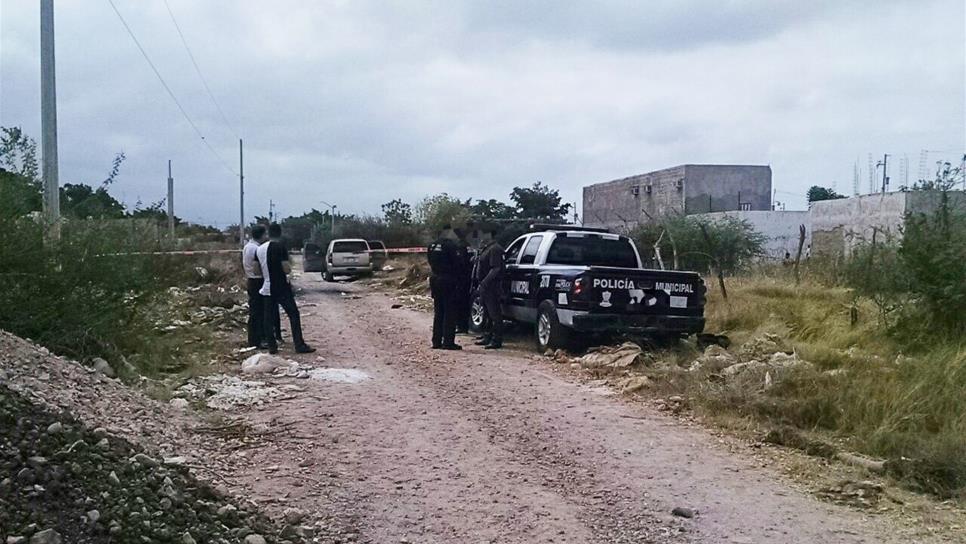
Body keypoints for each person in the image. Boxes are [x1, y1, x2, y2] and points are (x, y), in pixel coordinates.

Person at [257, 223, 315, 354]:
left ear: (268, 234)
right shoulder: (280, 247)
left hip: (266, 287)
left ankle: (272, 347)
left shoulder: (260, 249)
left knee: (268, 318)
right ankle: (299, 344)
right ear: (280, 233)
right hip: (281, 287)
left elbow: (256, 270)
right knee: (293, 314)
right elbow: (286, 268)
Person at [427, 225, 462, 350]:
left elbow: (430, 262)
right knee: (449, 312)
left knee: (438, 312)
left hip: (435, 279)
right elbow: (458, 264)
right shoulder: (450, 246)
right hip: (448, 280)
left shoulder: (432, 245)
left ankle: (436, 341)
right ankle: (448, 342)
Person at [475, 227, 505, 349]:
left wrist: (485, 282)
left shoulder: (495, 249)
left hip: (492, 286)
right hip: (485, 286)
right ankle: (487, 335)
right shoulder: (486, 248)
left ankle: (496, 340)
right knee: (486, 313)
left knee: (494, 314)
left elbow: (496, 269)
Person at [242, 225, 269, 348]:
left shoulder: (247, 246)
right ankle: (258, 339)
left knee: (254, 311)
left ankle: (254, 339)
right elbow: (257, 269)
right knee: (259, 312)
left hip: (251, 280)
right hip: (257, 281)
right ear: (262, 235)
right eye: (265, 234)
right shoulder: (256, 249)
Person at [453, 228, 473, 334]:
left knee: (460, 303)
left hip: (461, 279)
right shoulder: (470, 245)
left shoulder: (461, 246)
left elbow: (461, 263)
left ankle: (461, 326)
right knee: (465, 303)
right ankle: (464, 325)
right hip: (469, 278)